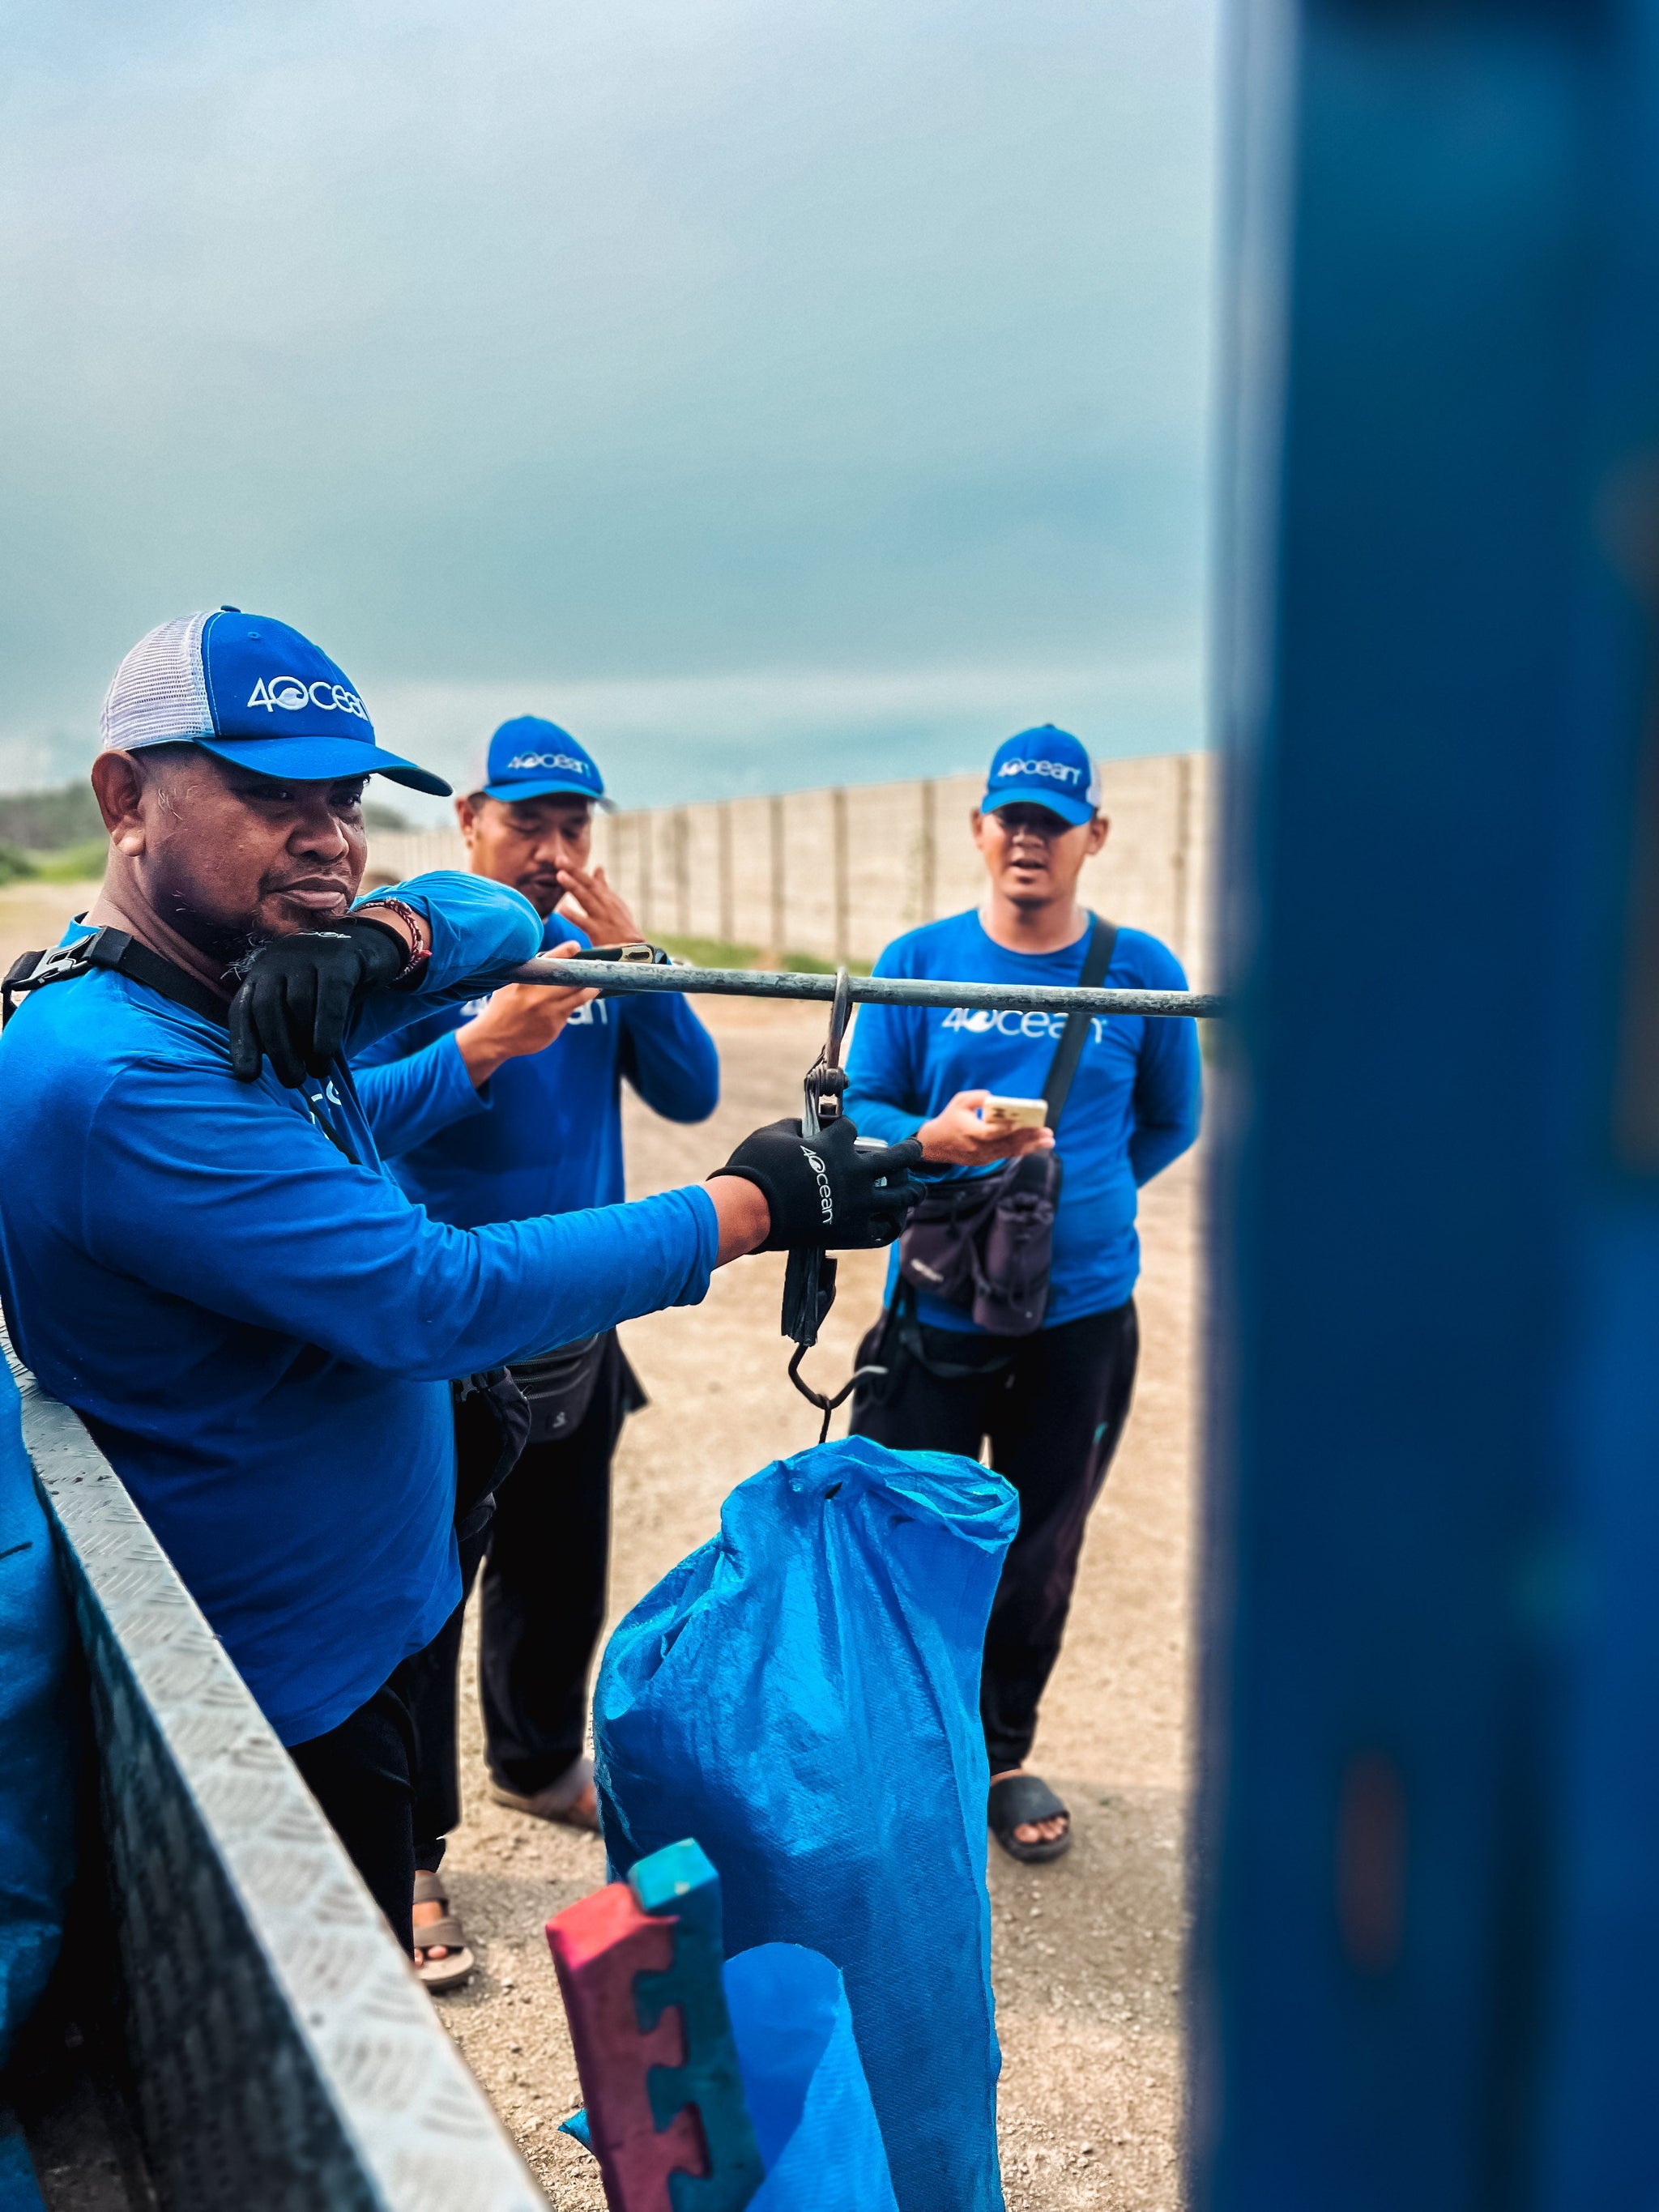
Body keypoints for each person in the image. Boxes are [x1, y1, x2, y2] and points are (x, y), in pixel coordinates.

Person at [0, 610, 923, 1954]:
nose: (324, 834)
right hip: (278, 1699)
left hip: (350, 1624)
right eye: (267, 793)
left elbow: (487, 923)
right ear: (124, 799)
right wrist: (751, 1205)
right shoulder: (124, 1071)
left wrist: (389, 948)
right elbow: (430, 1295)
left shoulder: (235, 982)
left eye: (344, 799)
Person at [352, 718, 719, 1986]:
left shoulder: (596, 959)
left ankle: (533, 1760)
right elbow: (360, 1100)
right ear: (468, 821)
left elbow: (692, 1094)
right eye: (529, 825)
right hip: (450, 1329)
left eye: (575, 827)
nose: (554, 853)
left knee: (560, 1568)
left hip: (578, 1322)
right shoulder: (420, 958)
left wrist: (635, 963)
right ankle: (408, 1850)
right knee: (418, 1600)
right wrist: (489, 1029)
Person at [844, 724, 1201, 1865]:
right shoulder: (919, 960)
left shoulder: (1140, 969)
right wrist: (934, 1144)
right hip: (934, 1310)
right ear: (979, 829)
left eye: (1054, 822)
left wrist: (1069, 1209)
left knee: (1041, 1542)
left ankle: (998, 1750)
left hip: (1083, 1315)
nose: (1029, 840)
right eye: (1013, 819)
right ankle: (905, 1753)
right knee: (907, 1531)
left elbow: (1169, 1119)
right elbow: (858, 1110)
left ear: (1096, 835)